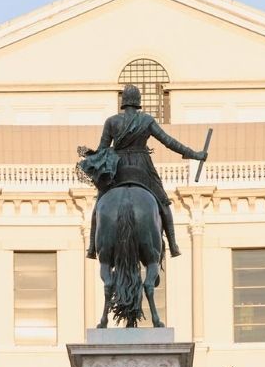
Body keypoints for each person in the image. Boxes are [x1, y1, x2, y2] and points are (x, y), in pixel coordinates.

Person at [79, 83, 208, 258]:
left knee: (99, 205)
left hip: (118, 168)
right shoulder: (146, 120)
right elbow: (169, 142)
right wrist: (194, 154)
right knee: (163, 203)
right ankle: (173, 244)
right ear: (138, 102)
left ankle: (93, 247)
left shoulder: (111, 121)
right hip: (142, 166)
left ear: (123, 102)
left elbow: (102, 150)